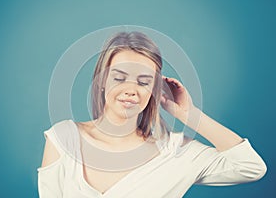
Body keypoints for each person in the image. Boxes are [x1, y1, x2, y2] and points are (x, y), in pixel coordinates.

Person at [37, 31, 267, 198]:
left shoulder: (175, 151)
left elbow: (251, 166)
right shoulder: (64, 137)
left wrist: (190, 115)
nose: (131, 89)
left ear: (154, 90)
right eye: (119, 77)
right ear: (102, 82)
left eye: (144, 81)